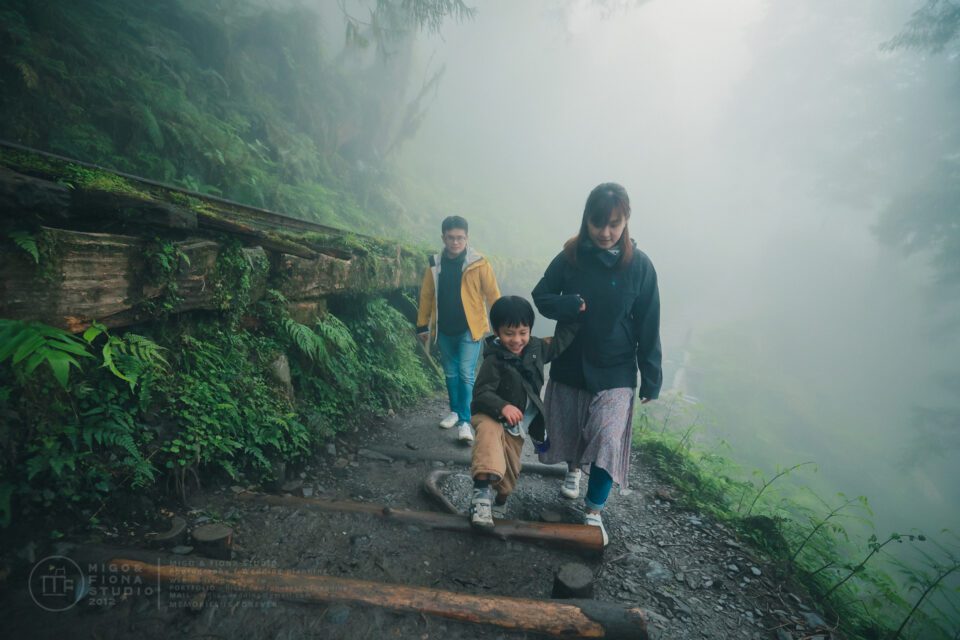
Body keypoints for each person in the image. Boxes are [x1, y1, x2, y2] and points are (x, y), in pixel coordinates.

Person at [531, 182, 662, 545]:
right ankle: (573, 469)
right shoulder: (571, 257)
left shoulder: (640, 266)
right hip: (572, 360)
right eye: (597, 223)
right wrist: (568, 304)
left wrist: (651, 377)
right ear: (585, 220)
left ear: (626, 222)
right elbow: (541, 296)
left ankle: (593, 510)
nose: (605, 233)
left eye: (614, 224)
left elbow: (649, 322)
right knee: (572, 429)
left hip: (617, 368)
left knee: (606, 436)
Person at [467, 296, 576, 527]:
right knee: (488, 440)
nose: (517, 340)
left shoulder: (536, 348)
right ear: (497, 332)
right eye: (509, 333)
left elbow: (562, 341)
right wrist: (502, 406)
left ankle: (500, 499)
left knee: (509, 474)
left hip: (517, 427)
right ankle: (481, 497)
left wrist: (574, 313)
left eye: (523, 332)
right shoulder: (494, 360)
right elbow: (481, 393)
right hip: (490, 415)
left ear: (530, 330)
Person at [417, 216, 501, 443]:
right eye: (451, 238)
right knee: (451, 373)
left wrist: (500, 327)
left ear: (467, 238)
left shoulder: (479, 263)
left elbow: (493, 296)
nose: (456, 242)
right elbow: (426, 295)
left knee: (466, 373)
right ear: (443, 238)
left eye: (460, 238)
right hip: (444, 327)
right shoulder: (435, 264)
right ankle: (454, 411)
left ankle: (465, 422)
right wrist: (422, 324)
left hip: (470, 329)